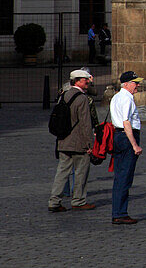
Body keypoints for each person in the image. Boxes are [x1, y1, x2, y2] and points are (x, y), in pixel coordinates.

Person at [48, 69, 96, 212]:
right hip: (78, 142)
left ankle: (54, 201)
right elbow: (86, 124)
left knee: (62, 172)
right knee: (81, 172)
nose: (88, 82)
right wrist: (89, 144)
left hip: (63, 140)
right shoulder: (81, 98)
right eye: (85, 80)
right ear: (78, 81)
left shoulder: (64, 95)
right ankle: (79, 200)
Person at [110, 71, 144, 224]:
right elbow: (126, 122)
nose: (137, 85)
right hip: (126, 137)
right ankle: (120, 213)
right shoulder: (126, 99)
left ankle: (119, 211)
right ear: (126, 84)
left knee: (120, 176)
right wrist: (134, 144)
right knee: (125, 177)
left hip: (119, 136)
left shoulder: (116, 97)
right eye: (135, 82)